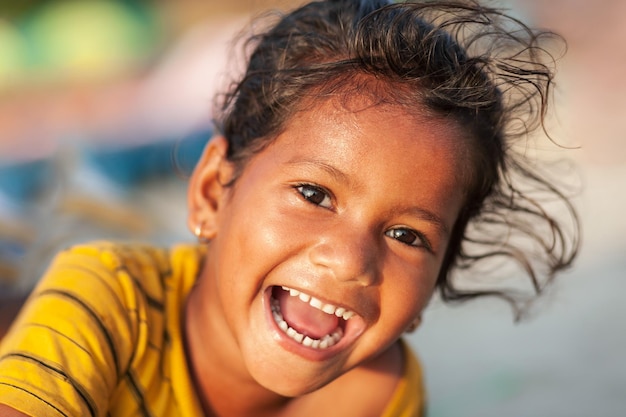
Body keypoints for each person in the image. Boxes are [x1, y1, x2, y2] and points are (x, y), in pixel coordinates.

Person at [0, 0, 579, 416]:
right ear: (210, 195)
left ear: (431, 290)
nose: (351, 260)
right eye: (314, 194)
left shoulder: (378, 394)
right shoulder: (104, 300)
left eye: (407, 234)